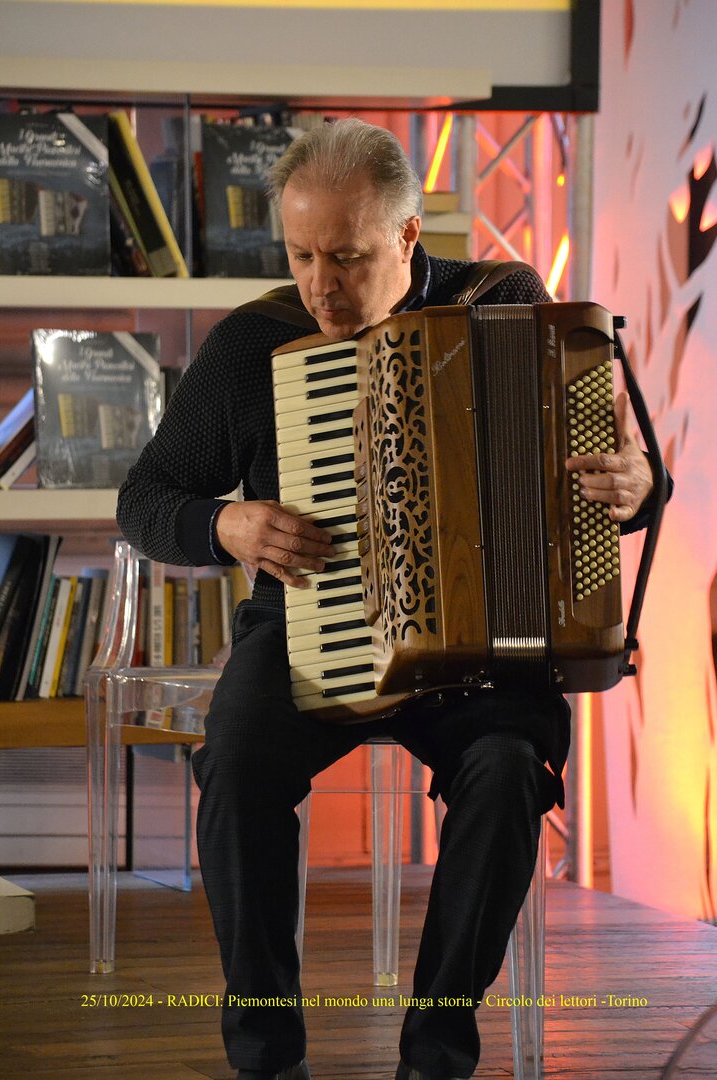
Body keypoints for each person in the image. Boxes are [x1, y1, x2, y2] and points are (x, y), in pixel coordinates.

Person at [117, 119, 663, 1080]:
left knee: (507, 771)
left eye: (347, 256)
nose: (320, 286)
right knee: (236, 763)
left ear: (408, 236)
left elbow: (611, 482)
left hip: (487, 647)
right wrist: (225, 525)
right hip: (307, 625)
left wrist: (635, 487)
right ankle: (266, 1056)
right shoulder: (253, 345)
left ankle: (436, 1053)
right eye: (300, 255)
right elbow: (145, 501)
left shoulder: (506, 302)